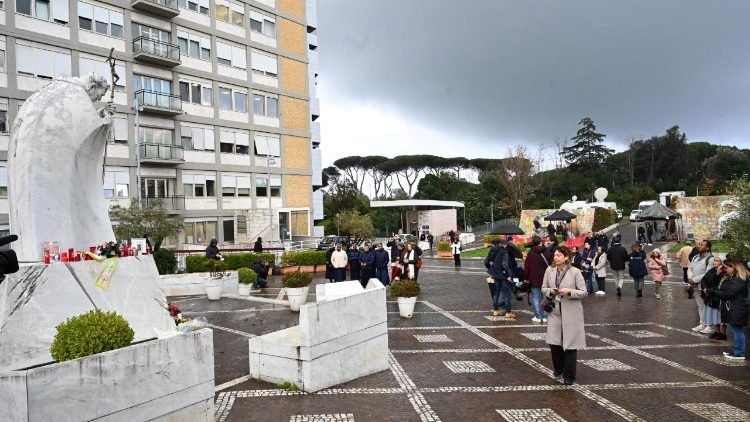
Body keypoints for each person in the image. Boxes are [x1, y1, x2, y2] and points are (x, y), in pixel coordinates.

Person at [542, 245, 587, 385]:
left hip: (571, 312)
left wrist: (569, 292)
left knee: (570, 345)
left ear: (566, 257)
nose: (556, 257)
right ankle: (558, 368)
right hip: (555, 311)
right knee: (554, 343)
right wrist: (551, 291)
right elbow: (543, 287)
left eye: (559, 255)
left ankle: (569, 376)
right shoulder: (550, 270)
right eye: (555, 255)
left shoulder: (575, 272)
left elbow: (583, 292)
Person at [708, 258, 748, 359]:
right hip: (734, 308)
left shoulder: (738, 279)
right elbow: (722, 288)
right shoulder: (731, 277)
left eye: (726, 267)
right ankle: (736, 351)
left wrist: (715, 292)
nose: (724, 269)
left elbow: (729, 293)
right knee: (736, 330)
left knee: (737, 331)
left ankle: (739, 353)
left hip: (737, 308)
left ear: (733, 267)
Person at [688, 240, 714, 332]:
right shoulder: (695, 257)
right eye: (699, 244)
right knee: (700, 305)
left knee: (707, 305)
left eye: (702, 245)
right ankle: (702, 323)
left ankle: (709, 326)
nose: (699, 246)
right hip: (695, 286)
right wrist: (690, 278)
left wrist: (694, 280)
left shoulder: (710, 259)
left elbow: (708, 273)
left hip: (704, 286)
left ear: (707, 248)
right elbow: (690, 268)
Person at [524, 236, 550, 323]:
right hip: (546, 278)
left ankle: (538, 316)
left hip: (534, 278)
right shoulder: (547, 251)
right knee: (545, 297)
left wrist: (526, 278)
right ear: (540, 242)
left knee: (535, 297)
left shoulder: (531, 253)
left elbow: (527, 267)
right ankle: (546, 316)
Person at [486, 239, 513, 319]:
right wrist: (509, 274)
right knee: (507, 293)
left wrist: (491, 268)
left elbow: (487, 261)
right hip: (503, 275)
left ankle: (495, 310)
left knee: (496, 292)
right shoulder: (504, 252)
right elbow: (504, 264)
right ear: (505, 245)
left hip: (495, 274)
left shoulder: (494, 250)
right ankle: (508, 312)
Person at [701, 256, 727, 339]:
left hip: (718, 297)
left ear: (722, 263)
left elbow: (719, 285)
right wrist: (704, 288)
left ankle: (723, 333)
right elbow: (704, 280)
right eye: (714, 260)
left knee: (720, 316)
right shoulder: (711, 270)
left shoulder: (724, 273)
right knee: (714, 315)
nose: (714, 261)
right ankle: (717, 331)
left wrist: (717, 274)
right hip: (710, 296)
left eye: (717, 260)